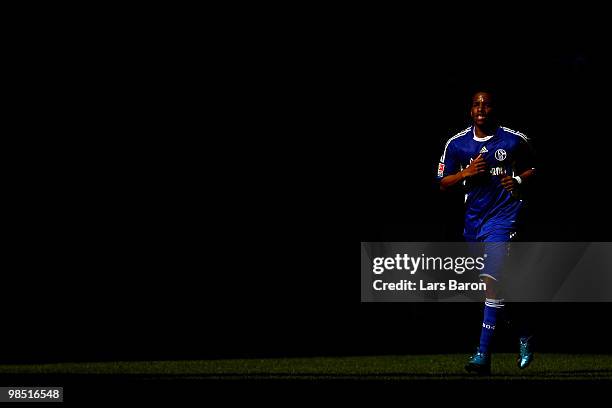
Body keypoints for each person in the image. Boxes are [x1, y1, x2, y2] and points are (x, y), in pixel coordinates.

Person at [437, 90, 536, 374]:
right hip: (474, 223)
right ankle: (525, 330)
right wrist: (466, 173)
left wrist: (518, 179)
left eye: (487, 104)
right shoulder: (457, 144)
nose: (481, 108)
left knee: (492, 281)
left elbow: (535, 167)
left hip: (504, 218)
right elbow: (443, 183)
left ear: (494, 109)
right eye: (476, 104)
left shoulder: (514, 139)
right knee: (493, 289)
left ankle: (482, 354)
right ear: (471, 111)